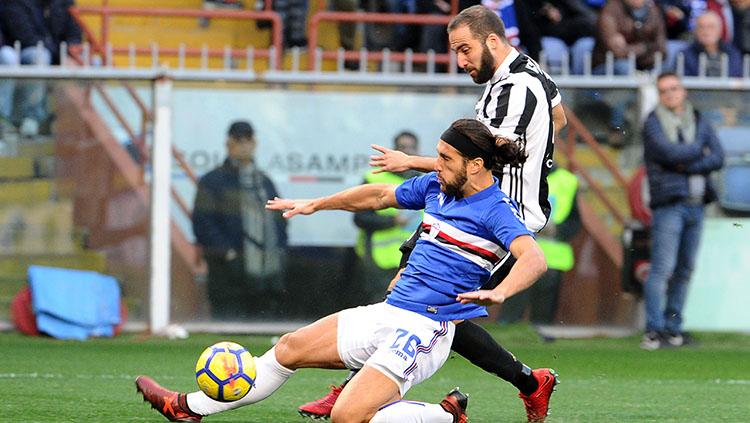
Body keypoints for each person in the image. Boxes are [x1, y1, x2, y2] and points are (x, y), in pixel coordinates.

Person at [136, 118, 549, 423]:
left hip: (427, 329)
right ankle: (188, 408)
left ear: (476, 165)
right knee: (288, 349)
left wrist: (501, 291)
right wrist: (317, 203)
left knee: (346, 417)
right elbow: (377, 196)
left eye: (444, 158)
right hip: (390, 311)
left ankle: (444, 418)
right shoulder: (438, 187)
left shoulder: (495, 211)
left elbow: (533, 257)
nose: (433, 165)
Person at [298, 5, 566, 423]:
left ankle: (352, 394)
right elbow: (558, 118)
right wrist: (536, 152)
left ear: (493, 41)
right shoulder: (530, 72)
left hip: (495, 215)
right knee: (428, 304)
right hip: (476, 207)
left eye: (465, 50)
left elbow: (481, 160)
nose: (460, 61)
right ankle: (531, 383)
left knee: (420, 298)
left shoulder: (512, 90)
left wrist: (412, 160)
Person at [640, 72, 724, 350]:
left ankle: (673, 328)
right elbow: (669, 154)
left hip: (696, 204)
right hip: (669, 205)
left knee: (685, 269)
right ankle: (654, 330)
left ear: (683, 90)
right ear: (659, 95)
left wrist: (688, 163)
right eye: (664, 91)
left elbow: (719, 156)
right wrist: (698, 152)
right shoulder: (652, 123)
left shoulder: (698, 119)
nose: (671, 95)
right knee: (662, 268)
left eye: (674, 89)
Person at [191, 120, 288, 320]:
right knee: (228, 334)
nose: (244, 145)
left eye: (248, 139)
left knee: (263, 333)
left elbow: (280, 219)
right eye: (238, 140)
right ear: (229, 143)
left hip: (265, 275)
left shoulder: (264, 181)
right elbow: (203, 223)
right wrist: (228, 254)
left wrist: (279, 253)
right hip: (227, 276)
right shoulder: (213, 181)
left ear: (255, 143)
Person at [500, 163, 581, 324]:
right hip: (519, 254)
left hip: (552, 258)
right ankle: (506, 329)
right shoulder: (520, 176)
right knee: (512, 306)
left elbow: (575, 221)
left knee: (543, 314)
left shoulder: (567, 181)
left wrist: (558, 231)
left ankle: (540, 334)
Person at [353, 131, 421, 303]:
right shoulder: (374, 178)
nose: (408, 151)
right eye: (403, 147)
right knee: (380, 305)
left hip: (413, 259)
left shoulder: (423, 180)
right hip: (379, 258)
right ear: (395, 150)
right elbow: (360, 218)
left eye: (412, 147)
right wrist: (392, 221)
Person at [0, 0, 84, 137]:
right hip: (23, 50)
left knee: (87, 59)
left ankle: (70, 124)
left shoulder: (64, 2)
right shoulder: (16, 3)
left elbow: (75, 33)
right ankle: (24, 118)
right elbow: (26, 37)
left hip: (53, 51)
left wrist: (71, 51)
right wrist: (61, 56)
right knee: (38, 56)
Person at [592, 0, 666, 74]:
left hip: (645, 62)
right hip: (608, 65)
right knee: (624, 66)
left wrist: (644, 47)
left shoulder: (653, 10)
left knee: (663, 66)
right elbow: (618, 53)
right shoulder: (609, 10)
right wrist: (647, 46)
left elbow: (662, 48)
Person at [680, 10, 743, 77]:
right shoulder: (685, 55)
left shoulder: (733, 53)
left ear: (720, 30)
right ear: (695, 31)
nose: (706, 31)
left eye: (711, 27)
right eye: (701, 27)